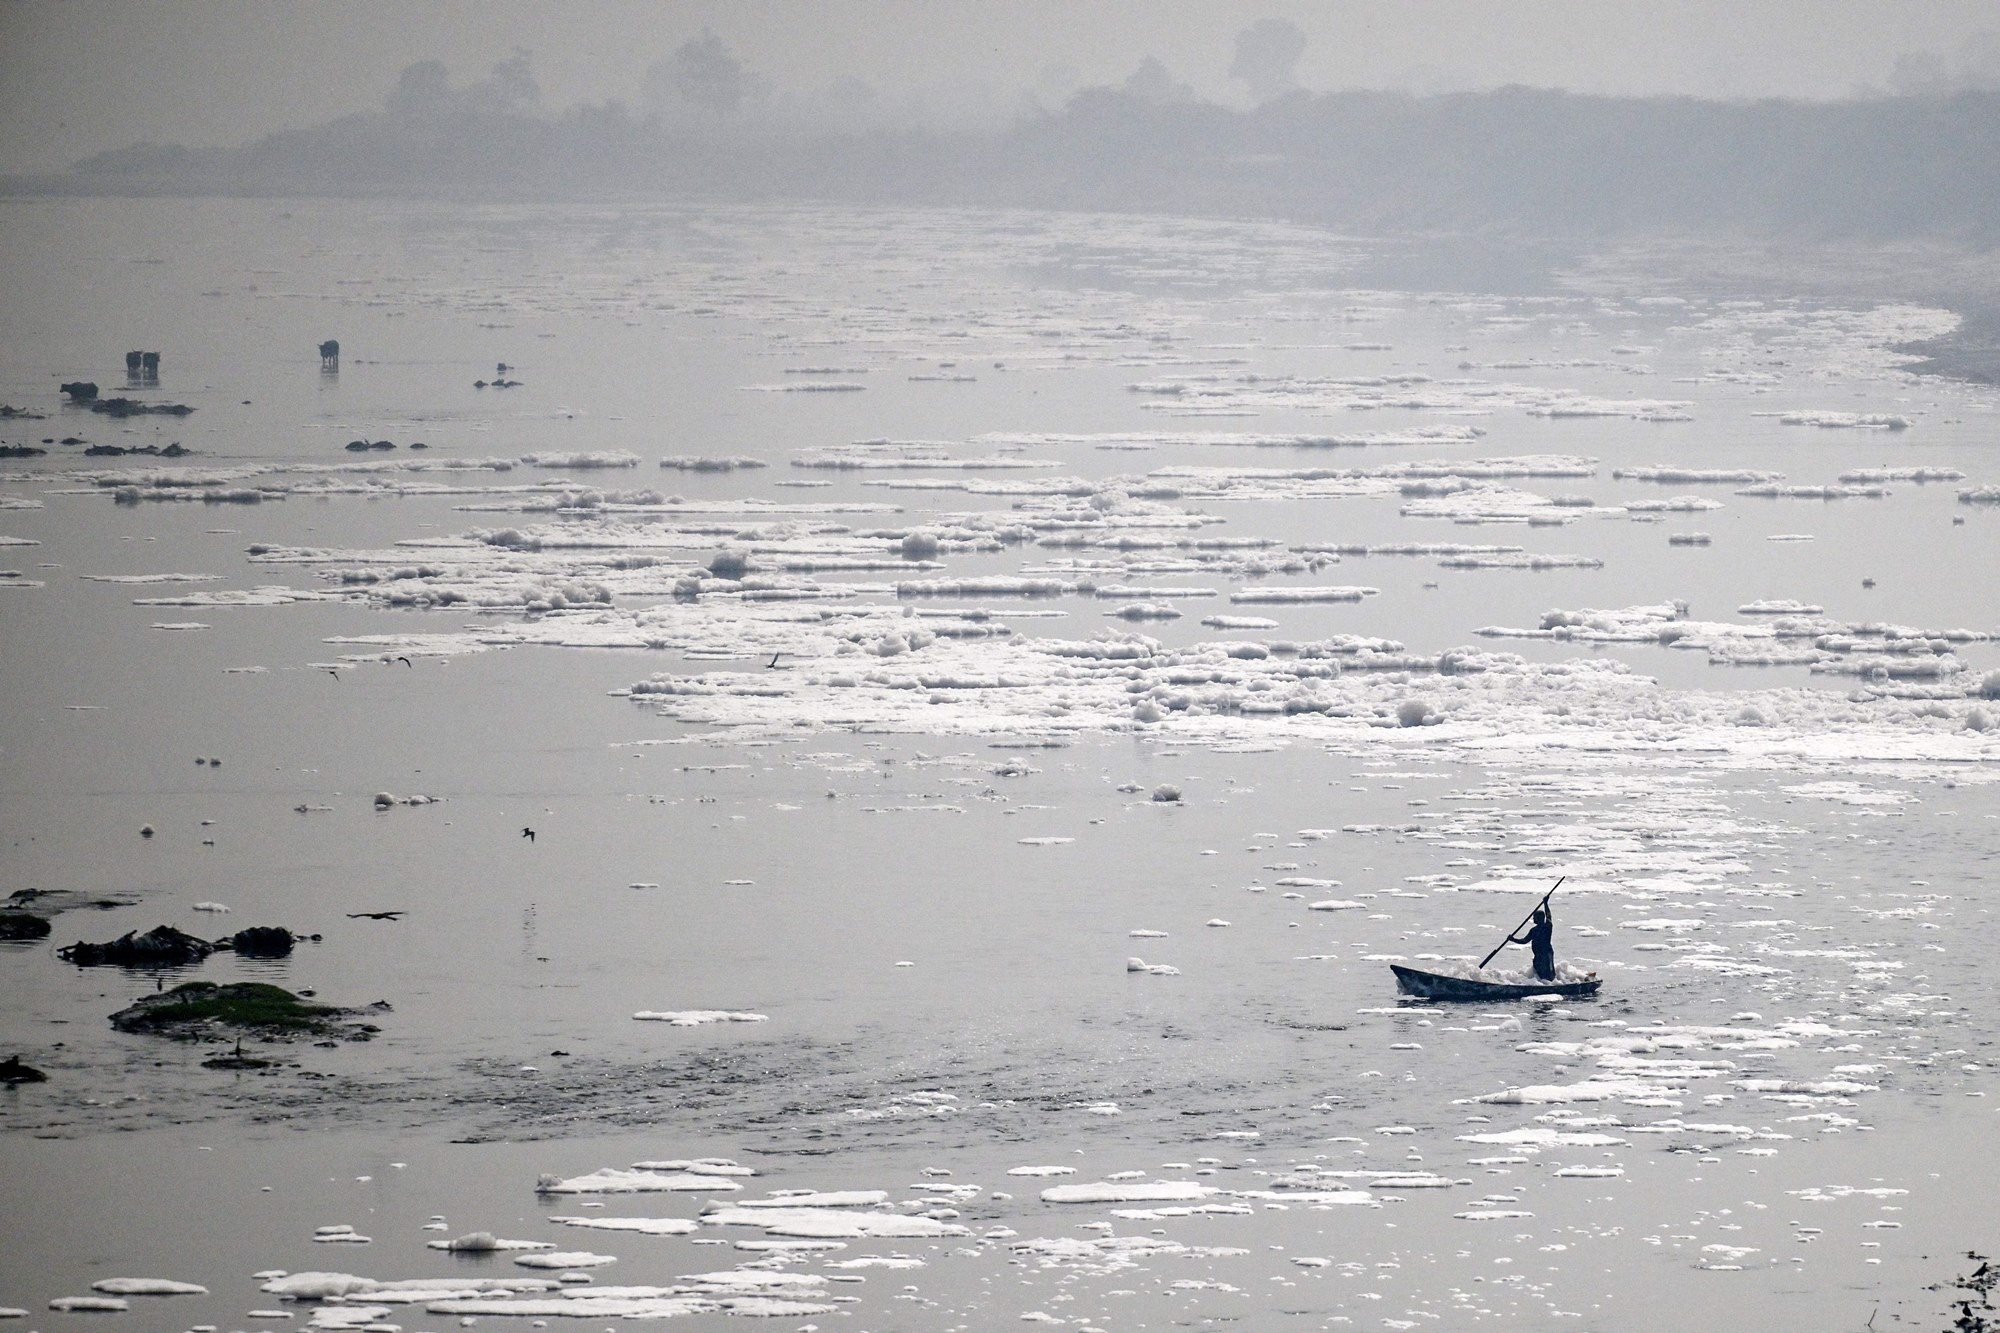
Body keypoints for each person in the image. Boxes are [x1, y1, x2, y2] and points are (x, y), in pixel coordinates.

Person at [1507, 903, 1556, 981]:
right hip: (1538, 955)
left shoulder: (1547, 926)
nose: (1533, 919)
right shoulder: (1533, 930)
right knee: (1539, 972)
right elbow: (1524, 941)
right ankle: (1541, 985)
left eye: (1535, 917)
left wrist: (1546, 903)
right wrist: (1513, 939)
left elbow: (1548, 915)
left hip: (1546, 954)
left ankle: (1552, 986)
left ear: (1539, 918)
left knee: (1548, 973)